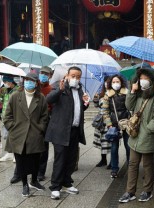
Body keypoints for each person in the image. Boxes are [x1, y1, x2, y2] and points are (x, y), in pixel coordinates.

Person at [118, 68, 154, 203]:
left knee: (147, 165)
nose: (142, 81)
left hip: (147, 136)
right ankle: (130, 191)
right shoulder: (138, 94)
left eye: (145, 78)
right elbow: (129, 105)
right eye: (141, 78)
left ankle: (147, 191)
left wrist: (149, 129)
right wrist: (132, 91)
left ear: (151, 81)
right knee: (132, 164)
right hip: (135, 135)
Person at [45, 66, 89, 200]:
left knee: (71, 158)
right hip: (60, 130)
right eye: (73, 76)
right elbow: (49, 99)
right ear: (67, 75)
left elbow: (77, 108)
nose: (75, 79)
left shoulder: (80, 89)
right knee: (60, 159)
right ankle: (55, 186)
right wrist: (60, 89)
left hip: (74, 129)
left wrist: (85, 103)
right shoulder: (60, 87)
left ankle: (67, 182)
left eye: (78, 76)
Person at [3, 73, 48, 197]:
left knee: (35, 161)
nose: (29, 83)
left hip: (35, 134)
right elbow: (7, 116)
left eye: (32, 81)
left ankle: (34, 181)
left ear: (36, 83)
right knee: (21, 162)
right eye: (27, 80)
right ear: (24, 82)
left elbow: (45, 116)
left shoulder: (41, 97)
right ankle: (24, 184)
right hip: (18, 135)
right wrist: (13, 128)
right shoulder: (15, 96)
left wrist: (40, 128)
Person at [103, 75, 130, 178]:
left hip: (126, 123)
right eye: (113, 82)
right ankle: (114, 169)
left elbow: (131, 107)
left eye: (117, 81)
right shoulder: (108, 95)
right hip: (113, 125)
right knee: (114, 148)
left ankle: (131, 167)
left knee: (128, 146)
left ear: (121, 82)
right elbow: (105, 111)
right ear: (110, 83)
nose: (116, 83)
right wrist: (109, 124)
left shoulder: (127, 93)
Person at [37, 66, 53, 181]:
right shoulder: (33, 86)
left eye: (46, 74)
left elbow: (53, 106)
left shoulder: (51, 89)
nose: (43, 75)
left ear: (50, 76)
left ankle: (41, 172)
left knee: (43, 147)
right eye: (42, 73)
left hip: (45, 120)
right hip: (32, 121)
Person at [0, 75, 19, 162]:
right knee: (6, 136)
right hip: (5, 116)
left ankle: (16, 154)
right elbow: (1, 101)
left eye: (6, 82)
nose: (5, 84)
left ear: (10, 81)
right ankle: (9, 153)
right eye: (4, 82)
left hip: (14, 116)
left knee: (14, 136)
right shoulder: (4, 90)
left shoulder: (18, 90)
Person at [93, 77, 111, 168]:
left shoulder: (113, 94)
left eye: (108, 82)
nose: (106, 84)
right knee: (101, 141)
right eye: (105, 82)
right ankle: (103, 159)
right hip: (100, 122)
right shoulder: (102, 94)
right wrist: (95, 98)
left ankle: (112, 161)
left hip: (109, 121)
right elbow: (97, 106)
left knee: (110, 141)